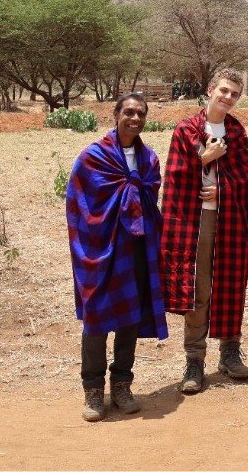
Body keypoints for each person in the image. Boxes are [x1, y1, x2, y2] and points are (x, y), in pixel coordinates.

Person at [67, 93, 168, 422]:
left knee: (129, 318)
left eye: (141, 113)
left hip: (136, 248)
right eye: (128, 112)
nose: (135, 118)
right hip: (101, 249)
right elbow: (78, 203)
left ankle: (122, 384)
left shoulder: (149, 158)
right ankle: (93, 391)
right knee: (96, 319)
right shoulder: (93, 157)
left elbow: (149, 198)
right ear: (115, 114)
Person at [161, 68, 248, 394]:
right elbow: (174, 176)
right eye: (224, 91)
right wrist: (204, 159)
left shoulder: (237, 131)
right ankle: (194, 360)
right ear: (210, 89)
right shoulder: (186, 129)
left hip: (228, 219)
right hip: (195, 223)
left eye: (234, 94)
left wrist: (222, 190)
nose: (228, 98)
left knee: (230, 282)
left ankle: (230, 354)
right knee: (198, 290)